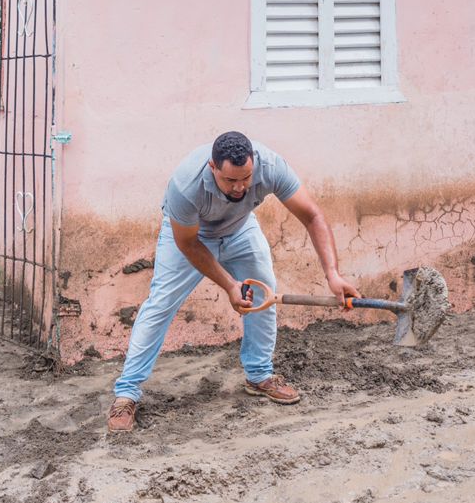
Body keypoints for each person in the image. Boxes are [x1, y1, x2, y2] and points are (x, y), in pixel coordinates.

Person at [107, 131, 361, 434]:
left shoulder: (270, 166)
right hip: (192, 236)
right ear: (213, 167)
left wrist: (332, 274)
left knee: (263, 294)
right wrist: (230, 285)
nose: (240, 187)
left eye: (246, 178)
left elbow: (312, 215)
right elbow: (188, 244)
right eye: (230, 181)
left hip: (240, 229)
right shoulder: (186, 185)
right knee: (161, 304)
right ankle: (127, 394)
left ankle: (260, 375)